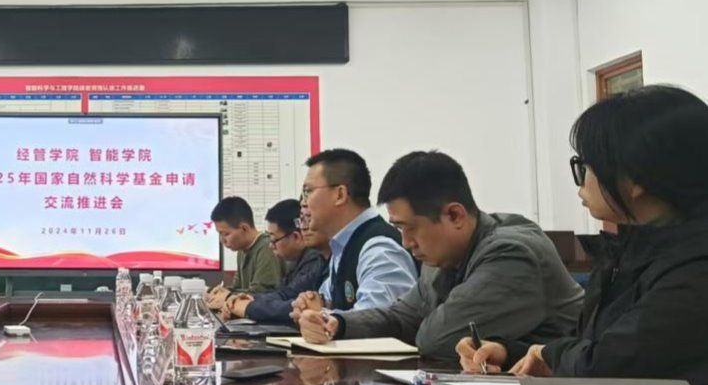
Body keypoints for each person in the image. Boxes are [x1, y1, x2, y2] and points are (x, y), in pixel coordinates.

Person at [459, 85, 708, 385]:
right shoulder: (633, 250)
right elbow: (592, 345)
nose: (581, 181)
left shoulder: (695, 267)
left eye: (585, 167)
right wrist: (512, 353)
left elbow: (608, 368)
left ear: (636, 178)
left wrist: (547, 354)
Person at [297, 151, 583, 360]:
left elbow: (436, 339)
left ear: (454, 215)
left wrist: (419, 321)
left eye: (410, 228)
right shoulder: (443, 255)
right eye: (399, 229)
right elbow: (401, 316)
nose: (405, 242)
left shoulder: (512, 254)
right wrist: (337, 323)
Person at [292, 148, 417, 319]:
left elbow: (376, 322)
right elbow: (325, 301)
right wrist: (309, 304)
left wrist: (318, 316)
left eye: (308, 191)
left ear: (340, 194)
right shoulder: (343, 245)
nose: (303, 203)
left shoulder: (379, 249)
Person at [221, 199, 327, 322]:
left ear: (296, 237)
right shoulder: (298, 261)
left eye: (274, 240)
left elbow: (294, 305)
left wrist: (248, 307)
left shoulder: (314, 259)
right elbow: (285, 293)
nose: (271, 246)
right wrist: (251, 299)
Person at [205, 196, 283, 311]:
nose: (222, 240)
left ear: (244, 228)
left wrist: (226, 296)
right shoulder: (242, 250)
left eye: (226, 234)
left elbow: (260, 293)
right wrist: (222, 292)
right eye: (219, 234)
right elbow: (238, 288)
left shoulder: (267, 248)